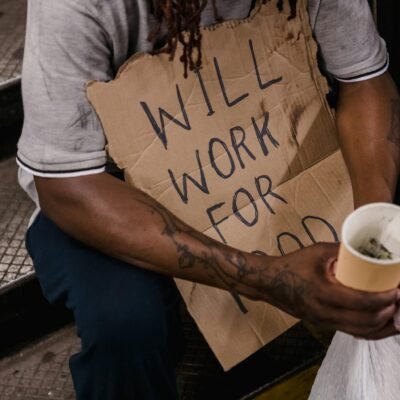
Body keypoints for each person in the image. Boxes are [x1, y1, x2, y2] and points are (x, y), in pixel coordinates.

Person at [17, 0, 400, 399]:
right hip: (106, 186)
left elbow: (364, 82)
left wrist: (371, 236)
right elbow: (67, 186)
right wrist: (270, 280)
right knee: (125, 322)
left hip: (260, 145)